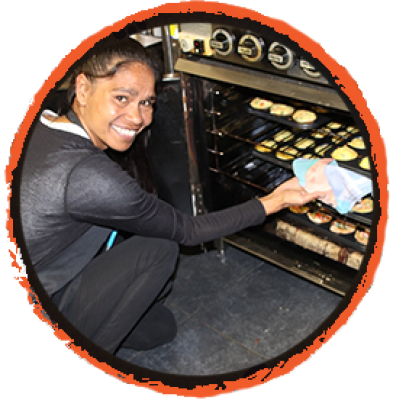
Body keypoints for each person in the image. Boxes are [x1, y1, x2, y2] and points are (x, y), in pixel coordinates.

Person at [20, 37, 323, 355]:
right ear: (82, 89)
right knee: (159, 246)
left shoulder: (41, 120)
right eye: (121, 97)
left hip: (48, 270)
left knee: (159, 328)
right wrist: (276, 200)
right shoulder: (90, 177)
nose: (138, 118)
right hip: (45, 298)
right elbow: (187, 231)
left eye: (146, 102)